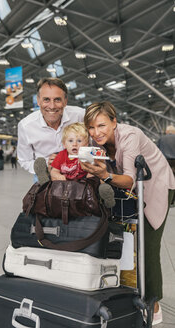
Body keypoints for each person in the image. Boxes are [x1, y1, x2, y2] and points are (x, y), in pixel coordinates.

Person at [80, 101, 175, 326]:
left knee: (147, 244)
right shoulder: (95, 142)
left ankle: (154, 304)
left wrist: (104, 175)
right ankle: (127, 290)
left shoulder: (131, 136)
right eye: (91, 127)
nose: (96, 132)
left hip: (156, 185)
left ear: (114, 122)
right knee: (122, 240)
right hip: (129, 192)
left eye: (101, 125)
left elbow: (129, 179)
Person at [17, 77, 85, 180]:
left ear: (65, 101)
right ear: (38, 101)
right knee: (42, 188)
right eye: (46, 100)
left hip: (79, 168)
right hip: (46, 173)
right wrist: (46, 168)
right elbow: (24, 160)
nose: (52, 106)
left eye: (57, 99)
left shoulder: (80, 116)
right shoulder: (26, 126)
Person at [34, 122, 115, 208]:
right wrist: (57, 175)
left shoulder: (87, 154)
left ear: (86, 144)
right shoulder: (61, 155)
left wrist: (96, 164)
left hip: (83, 186)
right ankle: (45, 183)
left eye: (79, 141)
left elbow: (94, 170)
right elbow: (54, 171)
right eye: (70, 141)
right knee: (54, 180)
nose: (74, 144)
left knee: (96, 177)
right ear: (64, 144)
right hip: (64, 185)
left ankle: (105, 196)